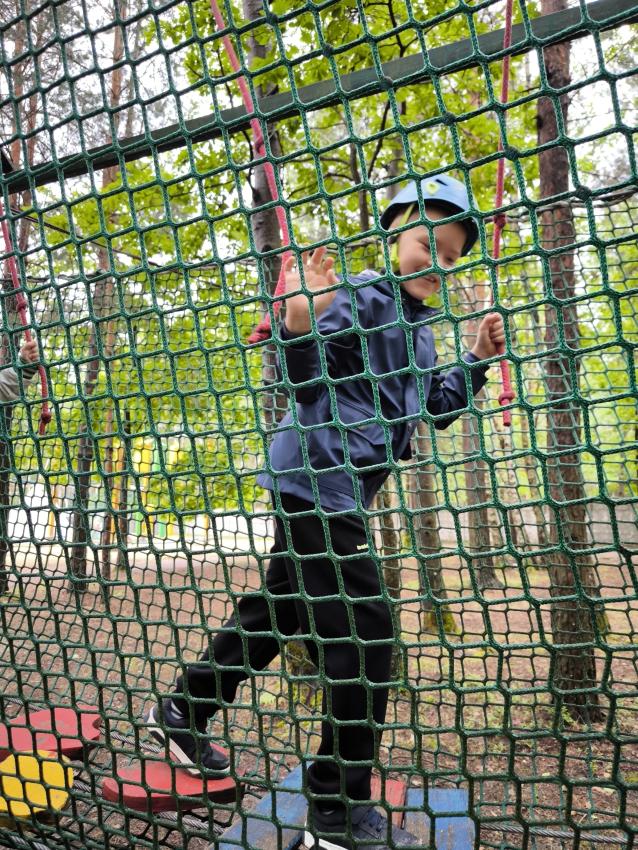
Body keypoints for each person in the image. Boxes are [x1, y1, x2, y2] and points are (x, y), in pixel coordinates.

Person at [146, 175, 506, 850]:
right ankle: (335, 808)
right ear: (394, 236)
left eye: (451, 256)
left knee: (281, 609)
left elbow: (435, 407)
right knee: (366, 637)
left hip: (331, 487)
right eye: (427, 244)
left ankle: (183, 709)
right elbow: (305, 378)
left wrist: (477, 361)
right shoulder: (364, 297)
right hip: (319, 475)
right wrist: (299, 323)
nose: (437, 262)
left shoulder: (422, 330)